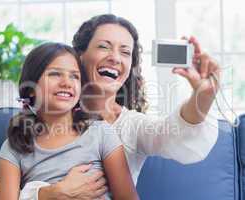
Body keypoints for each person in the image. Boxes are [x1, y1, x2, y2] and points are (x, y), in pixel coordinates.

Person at [23, 14, 220, 199]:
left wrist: (202, 97)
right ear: (80, 55)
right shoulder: (45, 117)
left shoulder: (132, 127)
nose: (115, 58)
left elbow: (176, 137)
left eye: (125, 52)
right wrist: (49, 194)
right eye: (104, 46)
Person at [0, 42, 140, 200]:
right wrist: (50, 194)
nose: (67, 83)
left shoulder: (101, 133)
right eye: (55, 74)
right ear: (31, 88)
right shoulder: (15, 146)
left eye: (74, 76)